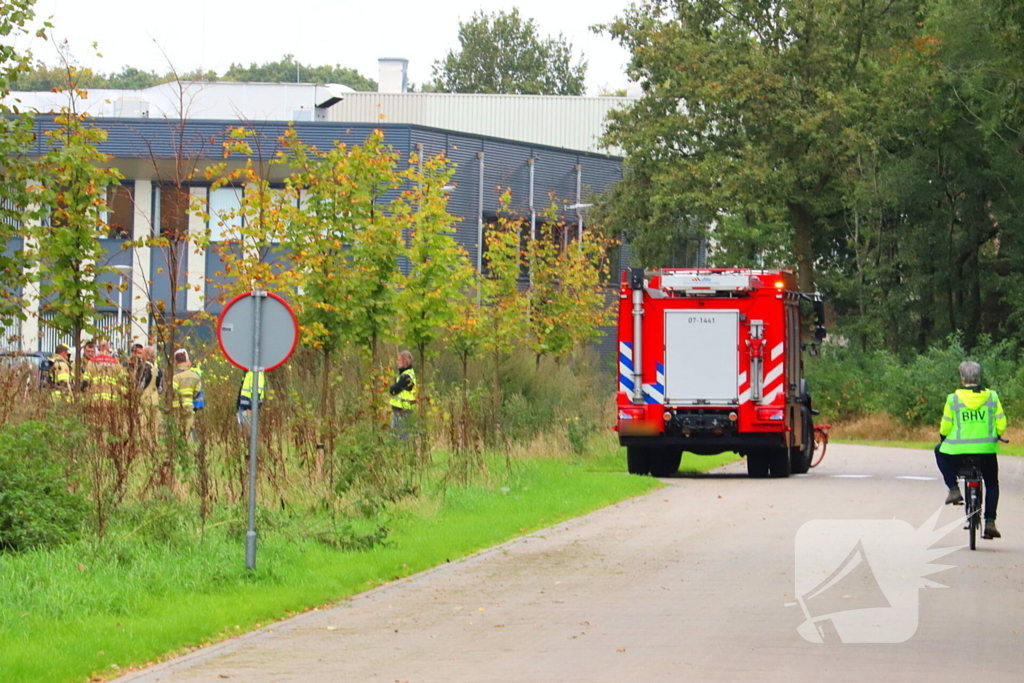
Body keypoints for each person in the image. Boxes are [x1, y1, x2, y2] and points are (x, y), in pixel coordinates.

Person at [935, 360, 1006, 539]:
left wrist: (944, 438)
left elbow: (945, 427)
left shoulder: (954, 399)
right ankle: (990, 521)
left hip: (959, 452)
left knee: (938, 450)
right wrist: (996, 434)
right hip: (986, 450)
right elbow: (1001, 423)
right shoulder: (992, 397)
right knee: (991, 483)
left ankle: (953, 489)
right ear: (979, 377)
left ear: (962, 378)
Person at [171, 349, 202, 442]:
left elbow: (173, 391)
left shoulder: (176, 376)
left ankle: (179, 450)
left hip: (177, 406)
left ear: (176, 362)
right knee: (188, 428)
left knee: (178, 429)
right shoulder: (195, 376)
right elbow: (197, 391)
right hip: (189, 405)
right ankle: (190, 449)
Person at [82, 339, 126, 404]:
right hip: (112, 400)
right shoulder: (115, 362)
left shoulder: (92, 362)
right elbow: (123, 380)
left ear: (98, 348)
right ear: (108, 348)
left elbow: (85, 381)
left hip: (96, 399)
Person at [388, 350, 417, 438]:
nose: (397, 362)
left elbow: (394, 389)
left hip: (403, 408)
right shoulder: (405, 374)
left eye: (399, 360)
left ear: (405, 362)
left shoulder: (406, 376)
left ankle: (402, 450)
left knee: (401, 434)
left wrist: (392, 388)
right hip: (401, 409)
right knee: (396, 433)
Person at [137, 346, 162, 443]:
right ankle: (155, 441)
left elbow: (141, 383)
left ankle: (145, 442)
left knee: (144, 420)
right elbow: (160, 387)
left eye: (143, 353)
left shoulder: (143, 367)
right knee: (155, 421)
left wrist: (137, 393)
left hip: (145, 396)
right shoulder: (158, 368)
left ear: (146, 355)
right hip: (155, 397)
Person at [236, 369, 267, 440]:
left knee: (249, 433)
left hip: (248, 407)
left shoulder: (256, 372)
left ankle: (252, 447)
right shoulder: (249, 372)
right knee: (245, 432)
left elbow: (257, 391)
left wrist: (252, 407)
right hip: (244, 405)